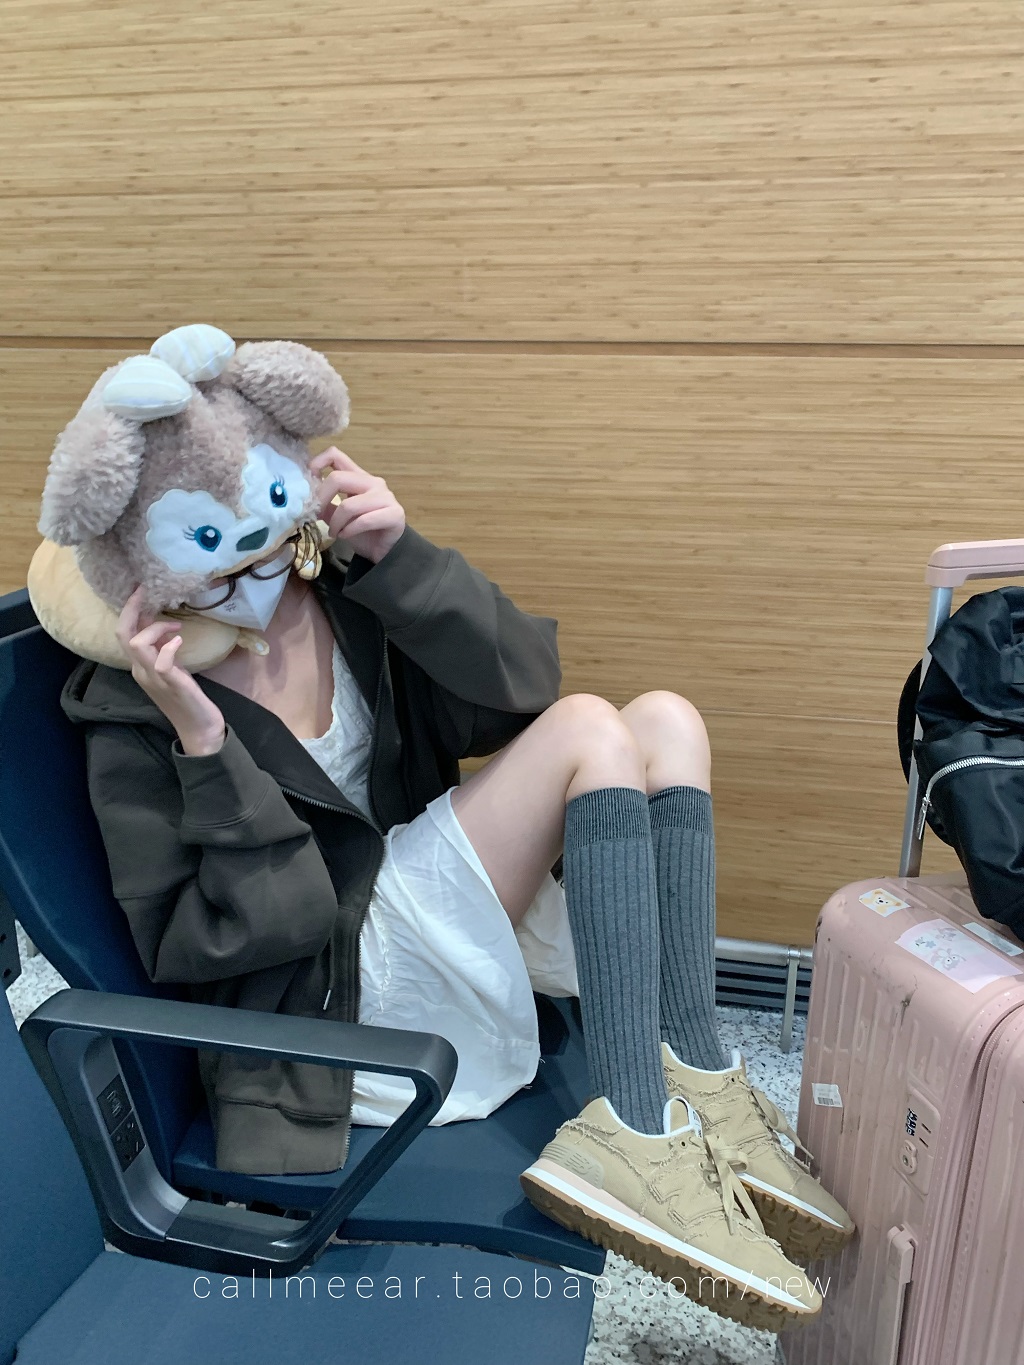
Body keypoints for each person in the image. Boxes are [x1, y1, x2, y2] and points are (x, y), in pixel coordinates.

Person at [35, 328, 851, 1332]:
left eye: (271, 532)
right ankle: (637, 1134)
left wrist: (401, 557)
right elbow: (210, 940)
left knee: (663, 720)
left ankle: (696, 1066)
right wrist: (204, 744)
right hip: (329, 1010)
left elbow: (524, 687)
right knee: (589, 730)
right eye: (215, 555)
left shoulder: (337, 589)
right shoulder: (132, 709)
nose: (263, 573)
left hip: (416, 913)